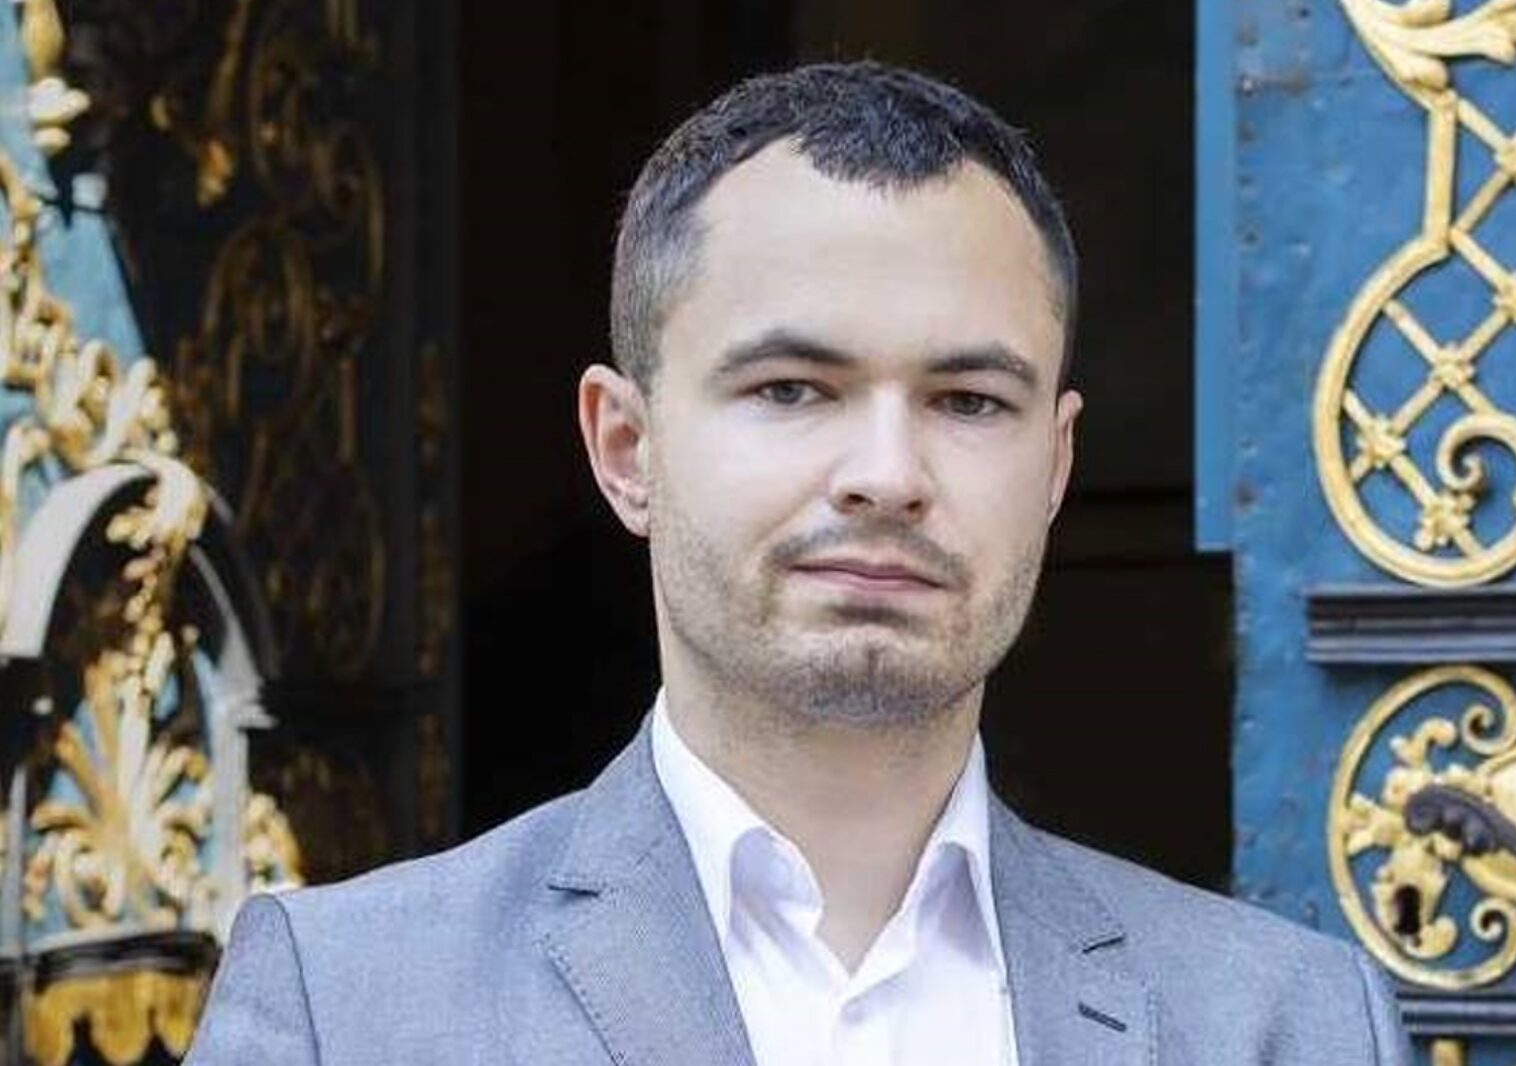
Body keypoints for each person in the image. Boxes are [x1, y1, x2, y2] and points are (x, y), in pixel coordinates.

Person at [187, 61, 1408, 1065]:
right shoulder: (349, 1003)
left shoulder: (1287, 1023)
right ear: (626, 449)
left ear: (1054, 463)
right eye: (790, 388)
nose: (886, 472)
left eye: (969, 400)